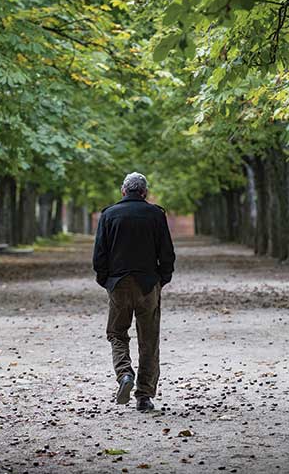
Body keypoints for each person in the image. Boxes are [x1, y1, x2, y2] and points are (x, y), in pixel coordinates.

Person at [92, 172, 176, 412]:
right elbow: (167, 252)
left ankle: (124, 373)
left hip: (118, 283)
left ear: (123, 191)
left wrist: (105, 280)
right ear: (144, 192)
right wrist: (162, 279)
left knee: (117, 333)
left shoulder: (108, 215)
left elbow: (100, 254)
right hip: (148, 284)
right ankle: (144, 396)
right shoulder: (156, 215)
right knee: (149, 340)